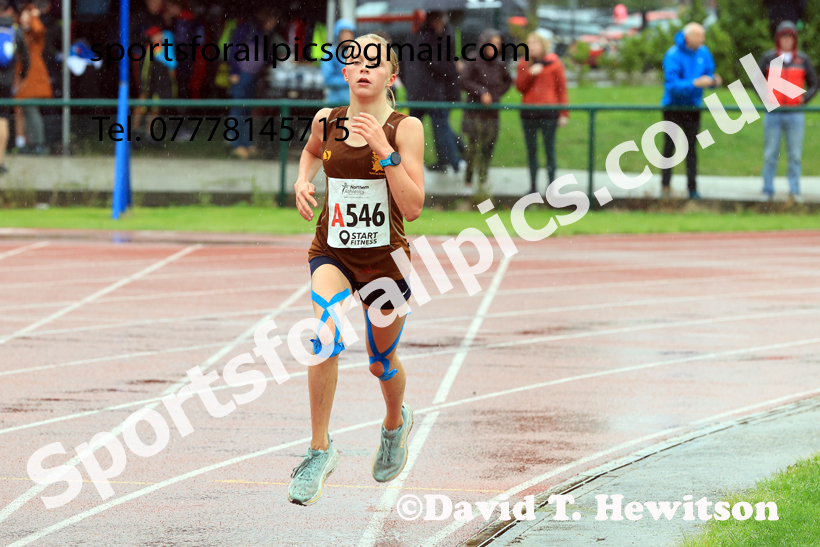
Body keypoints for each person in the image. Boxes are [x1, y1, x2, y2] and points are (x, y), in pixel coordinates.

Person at [289, 33, 424, 506]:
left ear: (392, 75)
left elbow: (414, 205)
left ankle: (395, 423)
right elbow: (309, 152)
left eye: (375, 60)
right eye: (355, 60)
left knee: (379, 360)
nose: (363, 66)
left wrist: (382, 150)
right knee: (323, 335)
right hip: (333, 252)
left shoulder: (406, 128)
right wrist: (303, 181)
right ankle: (319, 450)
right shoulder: (326, 121)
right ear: (345, 73)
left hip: (387, 264)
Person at [660, 22, 721, 200]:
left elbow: (710, 74)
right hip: (673, 107)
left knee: (691, 148)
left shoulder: (704, 52)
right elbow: (672, 86)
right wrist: (694, 83)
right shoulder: (673, 55)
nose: (702, 39)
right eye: (699, 36)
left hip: (693, 107)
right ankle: (665, 187)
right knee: (669, 148)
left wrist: (713, 81)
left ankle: (692, 189)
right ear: (688, 37)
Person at [758, 21, 817, 203]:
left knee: (795, 155)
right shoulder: (768, 58)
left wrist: (804, 99)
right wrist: (765, 97)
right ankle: (767, 191)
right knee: (770, 153)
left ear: (795, 39)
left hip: (794, 114)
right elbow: (756, 81)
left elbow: (814, 83)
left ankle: (794, 190)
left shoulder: (803, 60)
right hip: (774, 113)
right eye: (783, 37)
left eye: (790, 37)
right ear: (778, 39)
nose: (787, 41)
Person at [402, 11, 462, 173]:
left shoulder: (414, 37)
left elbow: (403, 65)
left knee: (413, 131)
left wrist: (410, 85)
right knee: (442, 128)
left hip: (415, 93)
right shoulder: (434, 38)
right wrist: (453, 69)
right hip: (432, 93)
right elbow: (438, 65)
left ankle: (406, 162)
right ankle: (456, 163)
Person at [515, 29, 568, 195]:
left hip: (548, 112)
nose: (532, 46)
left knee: (549, 150)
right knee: (532, 151)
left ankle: (552, 188)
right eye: (530, 43)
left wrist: (564, 113)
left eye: (536, 43)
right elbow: (519, 87)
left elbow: (562, 90)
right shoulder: (524, 63)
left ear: (544, 45)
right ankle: (532, 188)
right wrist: (530, 73)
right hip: (529, 113)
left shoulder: (554, 64)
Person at [459, 29, 512, 193]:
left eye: (498, 44)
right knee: (473, 147)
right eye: (492, 43)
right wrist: (481, 92)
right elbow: (464, 81)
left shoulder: (499, 64)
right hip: (474, 112)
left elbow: (508, 81)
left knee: (488, 146)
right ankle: (468, 181)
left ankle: (483, 179)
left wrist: (495, 95)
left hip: (492, 113)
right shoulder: (474, 60)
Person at [227, 7, 280, 159]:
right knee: (238, 108)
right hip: (242, 75)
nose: (273, 24)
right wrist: (234, 71)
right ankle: (236, 145)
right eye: (271, 21)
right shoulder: (246, 29)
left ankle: (247, 143)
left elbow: (264, 54)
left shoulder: (262, 33)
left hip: (253, 75)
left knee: (248, 110)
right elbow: (234, 48)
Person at [14, 2, 51, 155]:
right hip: (22, 77)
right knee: (24, 110)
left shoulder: (35, 33)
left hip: (34, 77)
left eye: (26, 16)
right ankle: (28, 143)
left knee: (30, 108)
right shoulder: (19, 33)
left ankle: (38, 143)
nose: (24, 18)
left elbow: (39, 29)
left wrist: (34, 16)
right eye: (23, 15)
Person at [0, 0, 29, 174]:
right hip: (5, 83)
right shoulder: (15, 30)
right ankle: (0, 161)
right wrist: (21, 77)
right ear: (10, 10)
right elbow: (26, 58)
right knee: (2, 120)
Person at [321, 19, 355, 104]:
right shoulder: (330, 53)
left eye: (350, 33)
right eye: (345, 33)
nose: (348, 36)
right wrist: (350, 80)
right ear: (338, 34)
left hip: (353, 102)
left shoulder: (356, 53)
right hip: (335, 101)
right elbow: (328, 79)